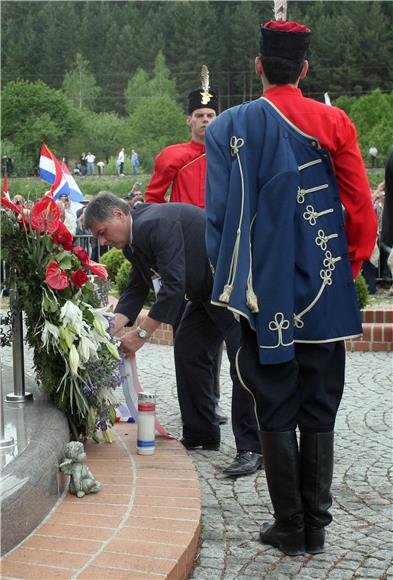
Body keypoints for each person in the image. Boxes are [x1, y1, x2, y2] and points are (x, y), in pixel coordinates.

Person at [205, 19, 377, 556]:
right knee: (320, 404)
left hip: (262, 292)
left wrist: (234, 288)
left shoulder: (226, 127)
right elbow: (360, 211)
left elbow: (220, 223)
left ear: (259, 66)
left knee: (274, 403)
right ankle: (317, 527)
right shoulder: (334, 121)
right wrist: (343, 271)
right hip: (325, 290)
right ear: (305, 68)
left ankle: (289, 525)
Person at [84, 192, 262, 474]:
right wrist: (110, 327)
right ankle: (202, 432)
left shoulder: (154, 223)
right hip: (205, 292)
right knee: (189, 349)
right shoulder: (133, 241)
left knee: (242, 362)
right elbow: (136, 288)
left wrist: (141, 335)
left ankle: (252, 447)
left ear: (118, 214)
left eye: (103, 233)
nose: (103, 242)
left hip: (230, 285)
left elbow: (173, 286)